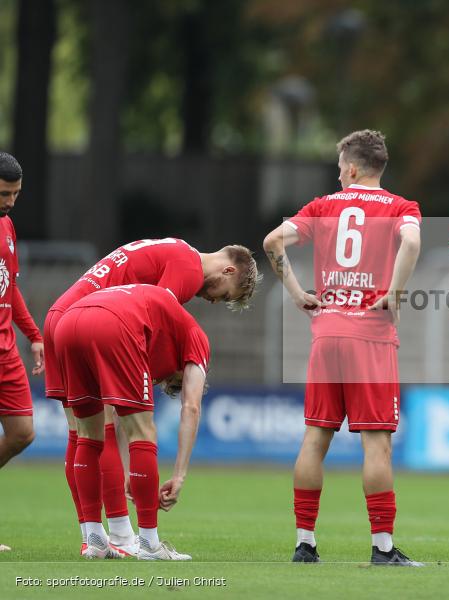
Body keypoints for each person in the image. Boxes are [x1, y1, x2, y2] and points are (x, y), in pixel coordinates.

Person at [263, 129, 423, 566]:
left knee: (315, 437)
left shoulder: (322, 207)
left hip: (327, 332)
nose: (338, 176)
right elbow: (411, 241)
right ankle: (383, 549)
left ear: (352, 167)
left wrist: (297, 292)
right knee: (377, 445)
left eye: (339, 169)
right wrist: (394, 290)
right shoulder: (399, 207)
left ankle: (305, 543)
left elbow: (272, 242)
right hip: (370, 334)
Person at [44, 238, 258, 557]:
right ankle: (135, 539)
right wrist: (173, 474)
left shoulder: (175, 249)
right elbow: (154, 324)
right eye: (223, 294)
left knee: (82, 435)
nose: (213, 302)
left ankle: (95, 538)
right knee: (123, 430)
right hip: (105, 323)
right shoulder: (187, 273)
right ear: (228, 270)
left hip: (62, 318)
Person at [54, 284, 210, 560]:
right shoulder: (197, 338)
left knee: (88, 435)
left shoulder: (159, 327)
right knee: (144, 430)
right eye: (171, 381)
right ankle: (149, 545)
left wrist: (130, 472)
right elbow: (191, 407)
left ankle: (95, 540)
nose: (162, 381)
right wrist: (179, 475)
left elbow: (117, 412)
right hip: (111, 322)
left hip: (68, 322)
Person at [0, 153, 45, 554]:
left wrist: (34, 335)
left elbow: (9, 287)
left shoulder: (7, 226)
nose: (11, 201)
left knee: (22, 433)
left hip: (6, 351)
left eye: (15, 193)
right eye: (4, 193)